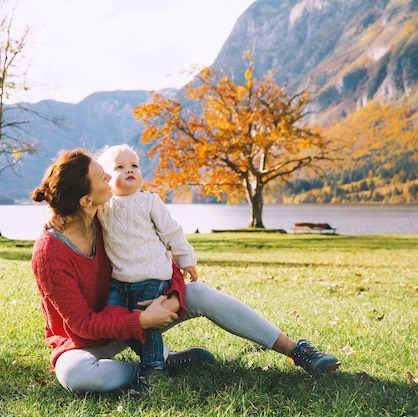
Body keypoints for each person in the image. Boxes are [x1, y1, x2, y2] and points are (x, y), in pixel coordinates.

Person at [31, 148, 340, 395]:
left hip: (140, 308)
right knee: (76, 375)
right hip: (84, 342)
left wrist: (175, 294)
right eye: (103, 177)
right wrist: (140, 320)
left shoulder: (109, 215)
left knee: (200, 293)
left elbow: (161, 254)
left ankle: (297, 350)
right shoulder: (50, 252)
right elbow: (82, 325)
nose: (113, 178)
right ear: (87, 199)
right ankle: (160, 365)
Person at [96, 144, 198, 373]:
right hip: (120, 279)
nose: (129, 170)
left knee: (148, 321)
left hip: (151, 275)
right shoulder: (103, 206)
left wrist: (186, 260)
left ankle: (154, 369)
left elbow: (171, 232)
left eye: (134, 165)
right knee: (116, 320)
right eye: (120, 167)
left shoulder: (149, 201)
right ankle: (161, 356)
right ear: (105, 178)